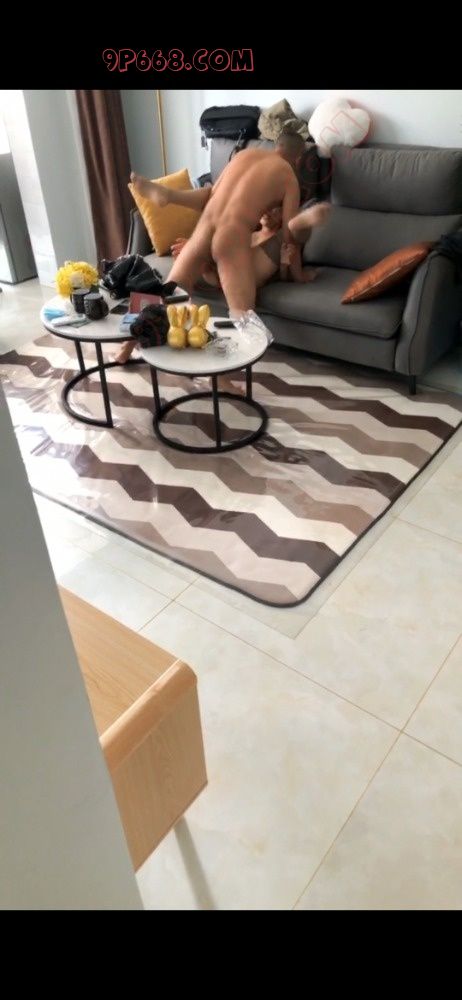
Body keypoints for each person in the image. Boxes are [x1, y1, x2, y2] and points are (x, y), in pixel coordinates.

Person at [130, 131, 306, 316]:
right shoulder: (289, 178)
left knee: (167, 298)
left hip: (204, 227)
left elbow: (211, 195)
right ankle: (169, 195)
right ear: (299, 158)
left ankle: (168, 195)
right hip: (232, 236)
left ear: (276, 145)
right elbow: (290, 236)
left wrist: (174, 197)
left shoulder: (244, 154)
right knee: (244, 319)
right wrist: (300, 276)